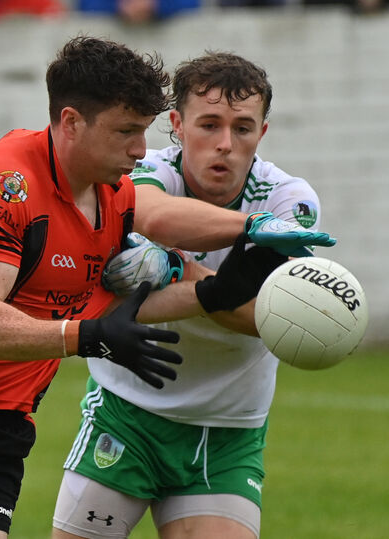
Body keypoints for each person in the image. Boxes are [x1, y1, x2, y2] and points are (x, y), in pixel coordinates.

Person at [52, 52, 333, 539]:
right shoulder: (147, 172)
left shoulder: (290, 201)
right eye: (209, 124)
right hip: (126, 414)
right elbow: (151, 214)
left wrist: (177, 267)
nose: (225, 144)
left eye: (243, 128)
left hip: (228, 430)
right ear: (177, 125)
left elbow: (271, 319)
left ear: (262, 134)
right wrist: (224, 278)